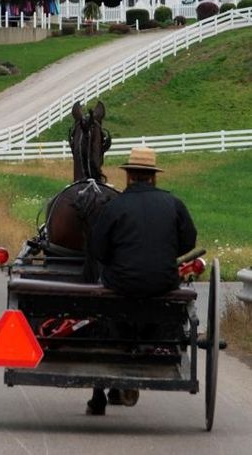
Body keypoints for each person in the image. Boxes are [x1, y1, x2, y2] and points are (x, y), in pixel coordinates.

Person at [84, 146, 197, 415]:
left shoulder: (115, 206)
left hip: (121, 283)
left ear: (129, 176)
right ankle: (147, 338)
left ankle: (118, 348)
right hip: (164, 282)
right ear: (153, 176)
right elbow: (189, 241)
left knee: (104, 281)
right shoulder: (174, 204)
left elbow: (98, 251)